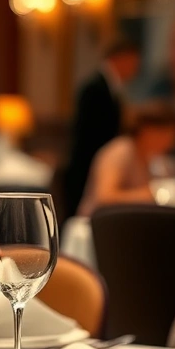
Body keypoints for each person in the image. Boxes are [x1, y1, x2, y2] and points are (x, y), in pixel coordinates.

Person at [63, 38, 142, 219]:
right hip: (87, 165)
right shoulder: (94, 88)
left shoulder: (113, 88)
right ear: (121, 59)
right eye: (133, 62)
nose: (135, 69)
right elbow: (88, 136)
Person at [76, 104, 175, 217]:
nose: (171, 143)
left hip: (126, 223)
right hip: (95, 225)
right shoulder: (120, 151)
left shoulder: (154, 159)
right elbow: (105, 197)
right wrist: (152, 194)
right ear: (147, 129)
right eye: (167, 135)